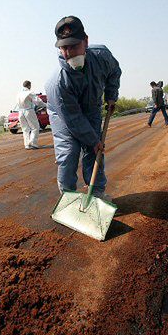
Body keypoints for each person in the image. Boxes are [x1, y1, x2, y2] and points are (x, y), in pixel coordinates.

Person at [45, 15, 121, 200]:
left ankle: (96, 194)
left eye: (74, 45)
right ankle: (68, 197)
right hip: (63, 115)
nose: (69, 52)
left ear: (86, 41)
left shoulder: (102, 56)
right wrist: (93, 139)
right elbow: (73, 118)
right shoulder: (58, 83)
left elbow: (114, 72)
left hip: (92, 109)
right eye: (64, 47)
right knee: (69, 153)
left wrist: (111, 95)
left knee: (95, 152)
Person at [18, 80, 47, 149]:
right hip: (28, 111)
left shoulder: (19, 93)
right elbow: (38, 102)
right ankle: (33, 143)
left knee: (25, 129)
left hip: (20, 112)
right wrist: (46, 105)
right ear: (29, 85)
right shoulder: (29, 92)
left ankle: (27, 144)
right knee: (35, 127)